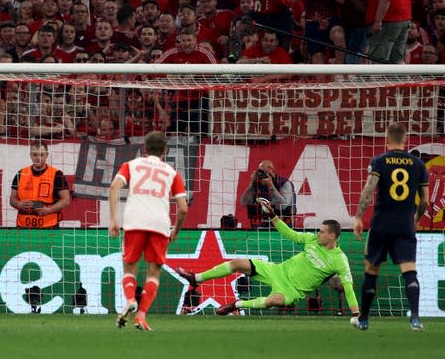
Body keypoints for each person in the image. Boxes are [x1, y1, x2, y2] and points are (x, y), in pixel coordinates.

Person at [177, 198, 360, 319]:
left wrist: (356, 313)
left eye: (322, 232)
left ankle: (235, 304)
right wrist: (272, 215)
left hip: (293, 290)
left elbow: (349, 288)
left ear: (332, 237)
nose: (318, 233)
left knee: (275, 301)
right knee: (237, 263)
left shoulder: (339, 259)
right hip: (277, 270)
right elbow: (289, 233)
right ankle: (197, 278)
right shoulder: (312, 240)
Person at [352, 122, 429, 331]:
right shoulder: (418, 164)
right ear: (405, 140)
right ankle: (415, 319)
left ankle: (364, 319)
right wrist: (417, 219)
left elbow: (368, 190)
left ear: (386, 139)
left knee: (372, 269)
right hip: (405, 225)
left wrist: (359, 217)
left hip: (381, 225)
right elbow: (424, 201)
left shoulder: (379, 161)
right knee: (409, 269)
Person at [109, 131, 189, 331]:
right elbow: (183, 208)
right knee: (153, 273)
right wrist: (175, 230)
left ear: (145, 148)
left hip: (134, 221)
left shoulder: (131, 165)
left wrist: (113, 220)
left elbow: (114, 187)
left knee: (130, 268)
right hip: (160, 224)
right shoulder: (172, 173)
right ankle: (141, 316)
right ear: (165, 150)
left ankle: (130, 299)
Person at [10, 142, 71, 228]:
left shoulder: (57, 174)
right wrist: (19, 204)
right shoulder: (21, 174)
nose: (38, 158)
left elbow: (66, 200)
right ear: (30, 155)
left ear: (47, 155)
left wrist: (49, 209)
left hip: (49, 226)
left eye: (41, 155)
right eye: (35, 155)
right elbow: (12, 199)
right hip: (23, 226)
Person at [240, 160, 295, 228]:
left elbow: (282, 206)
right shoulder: (257, 184)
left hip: (282, 224)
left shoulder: (284, 183)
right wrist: (251, 185)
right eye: (259, 172)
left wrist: (270, 185)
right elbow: (244, 203)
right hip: (261, 224)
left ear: (270, 170)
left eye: (263, 172)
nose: (261, 175)